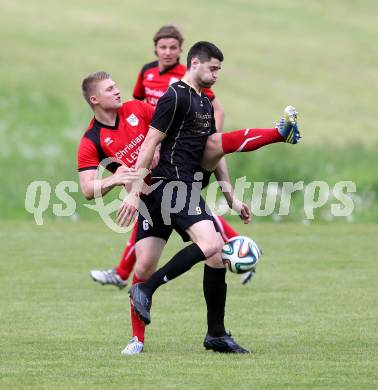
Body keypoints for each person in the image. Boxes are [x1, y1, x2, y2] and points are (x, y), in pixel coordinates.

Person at [119, 41, 300, 354]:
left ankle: (215, 333)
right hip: (170, 185)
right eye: (212, 68)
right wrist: (135, 190)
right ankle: (144, 298)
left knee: (176, 260)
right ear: (194, 64)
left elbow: (214, 152)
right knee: (214, 245)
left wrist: (231, 197)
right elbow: (150, 143)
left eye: (219, 69)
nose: (216, 74)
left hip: (185, 188)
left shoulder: (203, 103)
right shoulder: (175, 96)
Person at [77, 71, 254, 356]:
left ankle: (216, 334)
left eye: (117, 85)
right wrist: (115, 178)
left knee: (215, 254)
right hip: (148, 202)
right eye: (110, 89)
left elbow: (169, 130)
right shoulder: (92, 140)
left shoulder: (138, 109)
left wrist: (158, 146)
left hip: (175, 188)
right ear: (95, 99)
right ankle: (138, 338)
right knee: (144, 266)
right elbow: (87, 189)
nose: (118, 91)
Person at [90, 25, 254, 291]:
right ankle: (124, 275)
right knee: (154, 207)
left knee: (189, 213)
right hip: (154, 148)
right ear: (155, 48)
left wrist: (209, 138)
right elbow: (138, 109)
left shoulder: (190, 78)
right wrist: (151, 142)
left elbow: (215, 110)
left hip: (180, 153)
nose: (167, 52)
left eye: (172, 47)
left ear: (182, 52)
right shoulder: (147, 72)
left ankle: (237, 250)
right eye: (162, 47)